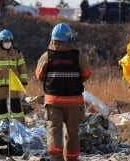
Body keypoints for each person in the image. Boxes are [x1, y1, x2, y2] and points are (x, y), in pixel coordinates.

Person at [35, 23, 91, 161]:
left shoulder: (46, 56)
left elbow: (39, 76)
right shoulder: (79, 56)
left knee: (54, 130)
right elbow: (87, 74)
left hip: (53, 102)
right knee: (72, 132)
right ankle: (71, 158)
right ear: (70, 39)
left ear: (52, 39)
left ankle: (56, 158)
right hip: (74, 102)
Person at [0, 29, 28, 123]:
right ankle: (3, 124)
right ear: (1, 42)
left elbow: (22, 67)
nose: (8, 43)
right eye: (5, 41)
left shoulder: (17, 53)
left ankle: (20, 124)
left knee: (16, 104)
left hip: (14, 83)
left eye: (9, 41)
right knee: (1, 105)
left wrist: (24, 80)